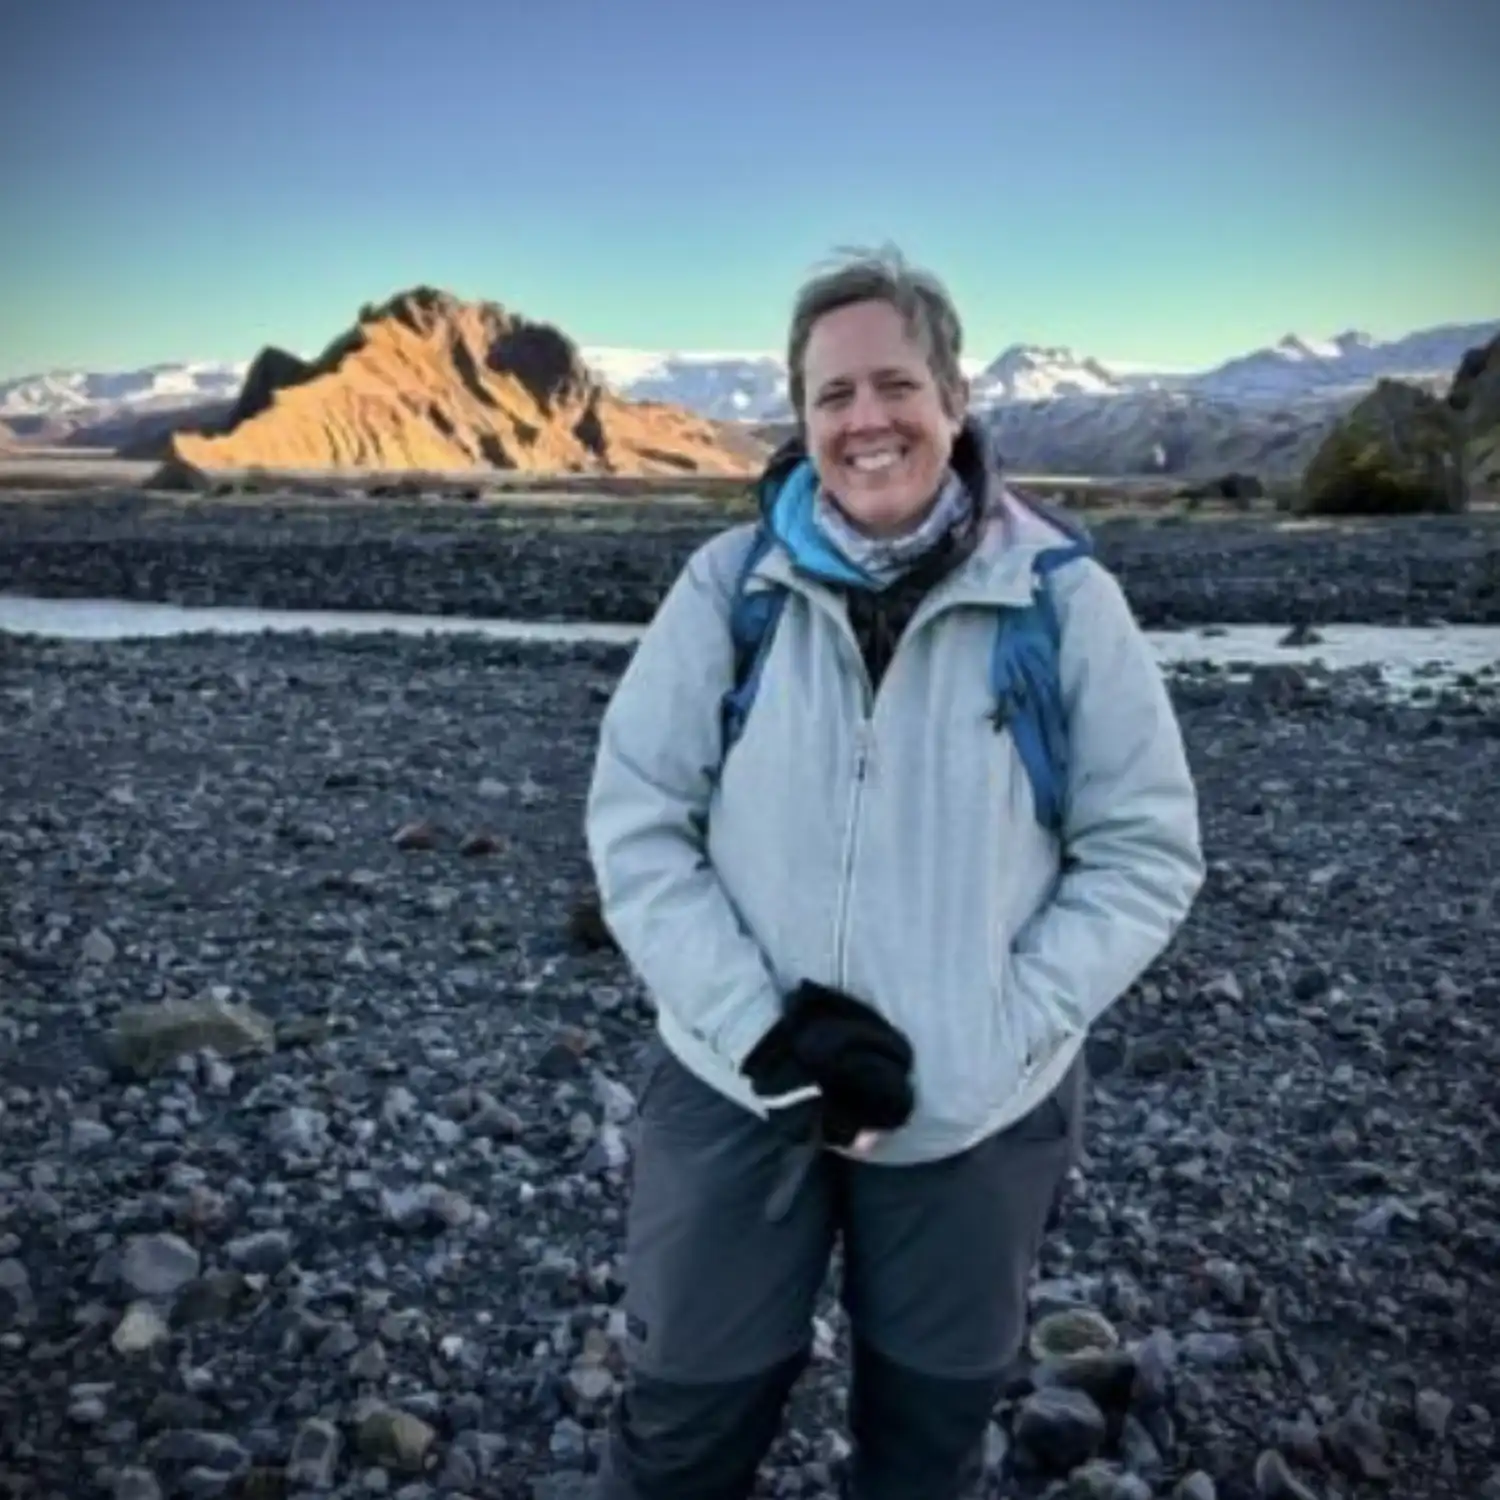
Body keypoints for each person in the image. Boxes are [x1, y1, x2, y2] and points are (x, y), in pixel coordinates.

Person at [583, 247, 1205, 1500]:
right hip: (736, 1085)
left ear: (955, 400)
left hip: (972, 1113)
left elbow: (1145, 849)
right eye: (832, 396)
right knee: (684, 1426)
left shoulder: (1061, 600)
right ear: (802, 418)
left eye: (895, 385)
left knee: (926, 1444)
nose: (866, 420)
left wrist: (1000, 1029)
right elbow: (639, 825)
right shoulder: (728, 588)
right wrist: (765, 1029)